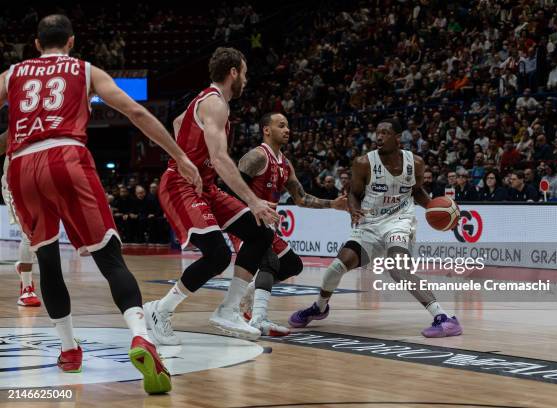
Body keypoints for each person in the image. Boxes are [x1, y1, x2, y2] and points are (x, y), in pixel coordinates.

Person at [0, 14, 202, 394]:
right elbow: (136, 112)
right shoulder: (85, 69)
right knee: (109, 258)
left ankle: (69, 349)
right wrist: (180, 156)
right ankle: (142, 338)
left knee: (46, 260)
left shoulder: (11, 74)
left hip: (22, 164)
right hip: (67, 155)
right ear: (72, 41)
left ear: (36, 44)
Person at [144, 47, 279, 345]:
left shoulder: (206, 102)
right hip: (180, 185)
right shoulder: (215, 103)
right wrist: (253, 201)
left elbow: (179, 122)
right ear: (233, 73)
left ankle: (228, 310)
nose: (246, 78)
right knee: (217, 254)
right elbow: (219, 158)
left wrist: (184, 155)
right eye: (244, 72)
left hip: (204, 185)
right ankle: (160, 311)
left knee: (260, 233)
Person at [289, 118, 462, 338]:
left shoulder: (415, 163)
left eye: (385, 133)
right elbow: (353, 193)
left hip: (400, 221)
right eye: (377, 132)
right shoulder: (363, 163)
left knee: (398, 269)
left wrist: (435, 211)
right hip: (370, 224)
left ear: (398, 138)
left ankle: (445, 318)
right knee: (335, 268)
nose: (378, 137)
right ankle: (320, 307)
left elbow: (416, 191)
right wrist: (353, 209)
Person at [229, 112, 347, 336]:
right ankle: (258, 319)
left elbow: (301, 198)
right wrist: (253, 204)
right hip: (246, 223)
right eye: (281, 125)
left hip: (266, 226)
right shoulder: (255, 157)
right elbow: (230, 191)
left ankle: (246, 297)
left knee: (293, 265)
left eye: (287, 126)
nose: (287, 130)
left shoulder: (285, 164)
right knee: (269, 263)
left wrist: (333, 204)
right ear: (266, 130)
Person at [1, 153, 41, 306]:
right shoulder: (15, 131)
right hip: (15, 185)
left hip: (41, 183)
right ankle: (26, 288)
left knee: (43, 236)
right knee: (28, 234)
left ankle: (23, 265)